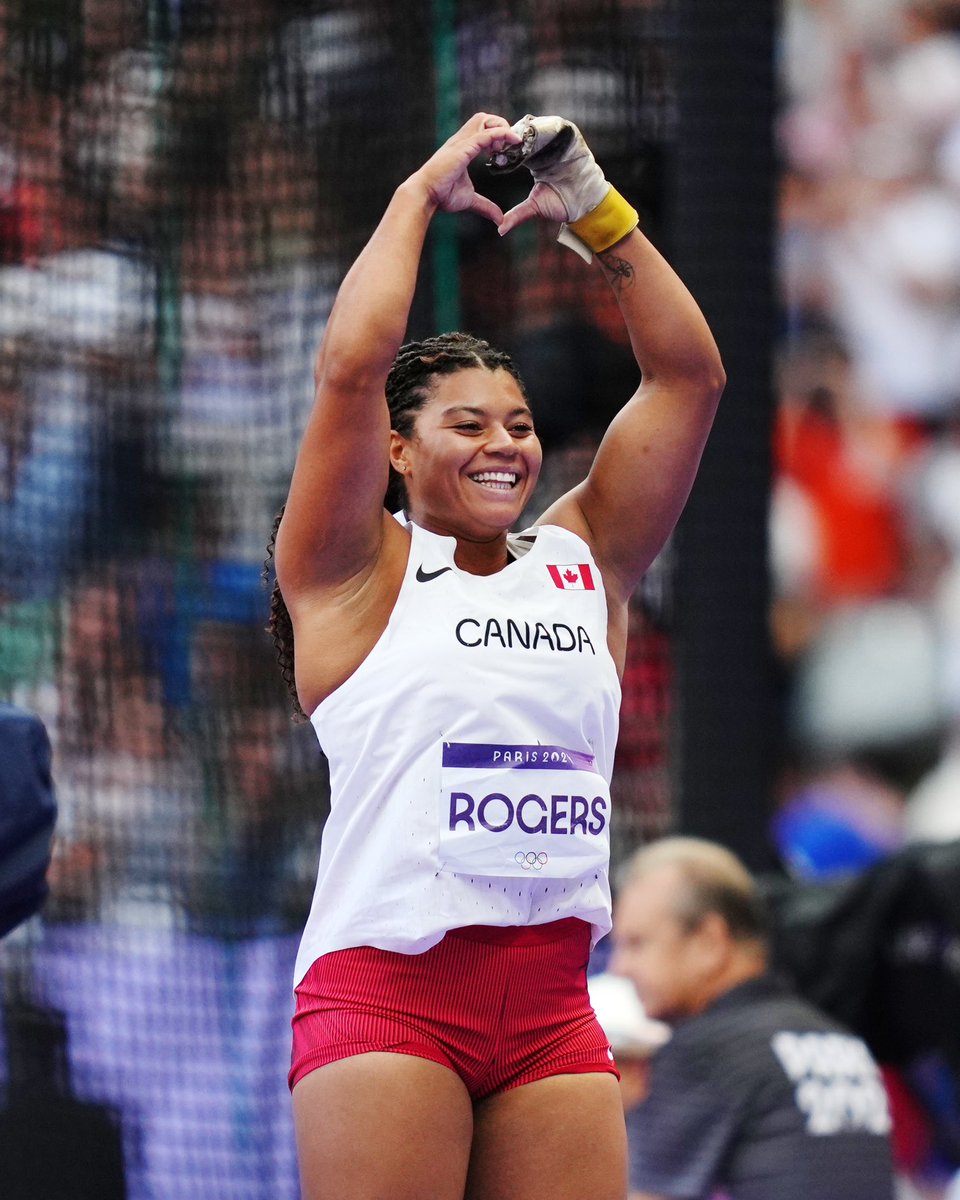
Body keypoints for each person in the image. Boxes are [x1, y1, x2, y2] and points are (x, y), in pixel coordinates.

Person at [264, 111, 724, 1200]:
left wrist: (596, 211)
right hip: (387, 999)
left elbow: (689, 383)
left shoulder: (584, 555)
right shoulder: (352, 569)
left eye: (516, 425)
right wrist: (421, 193)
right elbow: (351, 367)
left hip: (553, 1007)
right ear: (397, 447)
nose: (505, 445)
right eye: (466, 425)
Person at [609, 836, 897, 1200]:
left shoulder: (704, 1051)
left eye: (637, 943)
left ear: (710, 943)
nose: (620, 968)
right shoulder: (840, 1040)